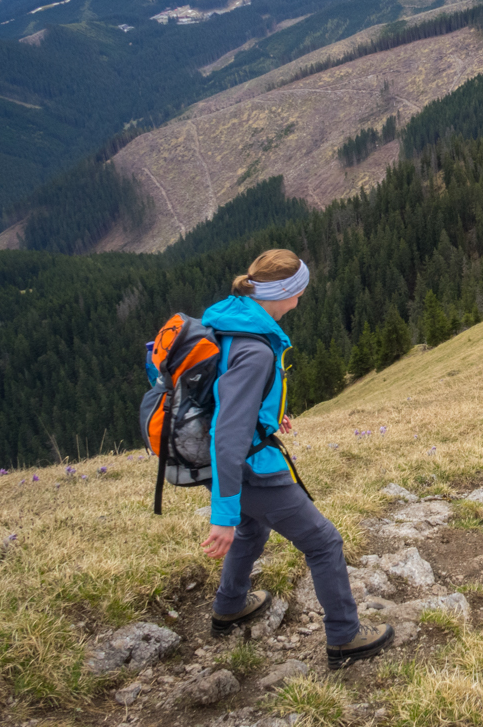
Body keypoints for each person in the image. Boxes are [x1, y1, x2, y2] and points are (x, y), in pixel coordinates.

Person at [200, 249, 393, 669]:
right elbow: (228, 434)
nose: (302, 298)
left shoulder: (231, 318)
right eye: (299, 290)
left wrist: (267, 416)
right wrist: (223, 513)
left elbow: (227, 395)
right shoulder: (257, 350)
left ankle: (229, 606)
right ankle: (345, 637)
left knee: (253, 533)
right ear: (285, 293)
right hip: (248, 469)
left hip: (235, 460)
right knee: (323, 542)